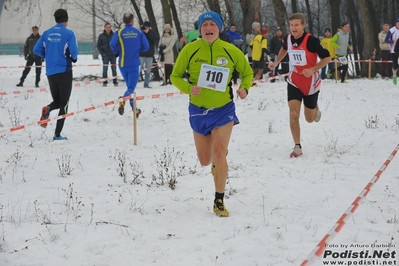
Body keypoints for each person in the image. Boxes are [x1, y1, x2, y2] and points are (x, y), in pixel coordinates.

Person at [170, 11, 253, 217]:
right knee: (205, 160)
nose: (208, 28)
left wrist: (245, 87)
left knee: (218, 153)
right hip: (198, 112)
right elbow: (175, 75)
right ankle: (218, 159)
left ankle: (219, 200)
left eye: (212, 25)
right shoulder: (190, 50)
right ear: (200, 29)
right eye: (204, 25)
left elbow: (247, 73)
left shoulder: (230, 50)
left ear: (220, 28)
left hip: (223, 109)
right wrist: (189, 88)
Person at [268, 13, 330, 157]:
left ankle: (314, 108)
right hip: (294, 81)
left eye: (297, 25)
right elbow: (284, 48)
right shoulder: (288, 38)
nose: (294, 28)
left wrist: (313, 69)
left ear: (303, 25)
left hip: (310, 83)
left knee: (309, 119)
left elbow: (327, 58)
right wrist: (277, 62)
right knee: (293, 113)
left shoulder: (311, 41)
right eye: (291, 25)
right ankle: (297, 146)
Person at [33, 9, 78, 140]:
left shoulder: (46, 33)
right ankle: (57, 134)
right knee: (64, 104)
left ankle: (48, 108)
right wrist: (73, 58)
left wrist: (47, 56)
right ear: (66, 19)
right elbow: (74, 53)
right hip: (64, 71)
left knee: (58, 101)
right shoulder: (69, 33)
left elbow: (36, 49)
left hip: (50, 72)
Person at [110, 13, 149, 117]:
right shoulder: (138, 32)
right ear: (132, 21)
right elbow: (146, 46)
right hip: (134, 64)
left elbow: (112, 44)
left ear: (123, 21)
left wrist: (116, 52)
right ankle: (123, 100)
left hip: (122, 64)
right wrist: (138, 50)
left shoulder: (119, 32)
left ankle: (135, 110)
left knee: (130, 87)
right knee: (131, 88)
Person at [97, 22, 118, 87]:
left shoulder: (114, 35)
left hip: (113, 55)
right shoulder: (101, 36)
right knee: (105, 68)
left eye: (109, 27)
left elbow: (117, 44)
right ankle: (105, 82)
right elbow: (98, 45)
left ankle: (115, 81)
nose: (108, 29)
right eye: (107, 27)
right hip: (105, 55)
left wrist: (116, 52)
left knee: (114, 68)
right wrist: (102, 53)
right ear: (105, 28)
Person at [139, 21, 159, 88]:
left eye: (147, 27)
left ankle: (146, 84)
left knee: (148, 70)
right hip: (141, 54)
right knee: (138, 69)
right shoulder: (140, 33)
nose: (146, 28)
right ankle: (134, 83)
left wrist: (148, 33)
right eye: (145, 26)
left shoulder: (152, 33)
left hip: (149, 55)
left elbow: (155, 40)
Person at [384, 19, 399, 84]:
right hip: (394, 50)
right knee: (395, 65)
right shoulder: (392, 30)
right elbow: (386, 40)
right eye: (398, 23)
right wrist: (393, 42)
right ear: (396, 23)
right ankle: (394, 76)